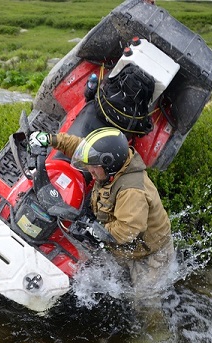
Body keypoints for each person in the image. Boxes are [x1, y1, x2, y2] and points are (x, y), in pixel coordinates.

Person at [29, 127, 175, 297]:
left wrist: (94, 230)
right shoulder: (111, 166)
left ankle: (156, 322)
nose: (89, 169)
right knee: (102, 281)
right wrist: (50, 139)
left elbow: (127, 230)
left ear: (109, 165)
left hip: (150, 255)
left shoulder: (132, 191)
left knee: (144, 302)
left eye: (93, 167)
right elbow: (79, 147)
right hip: (122, 246)